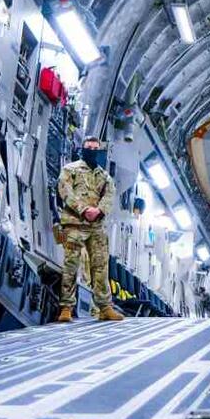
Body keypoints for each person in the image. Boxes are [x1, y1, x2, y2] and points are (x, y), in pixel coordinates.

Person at [54, 136, 124, 322]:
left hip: (96, 226)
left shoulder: (104, 176)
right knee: (71, 265)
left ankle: (105, 307)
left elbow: (110, 195)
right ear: (82, 150)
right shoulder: (70, 169)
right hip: (75, 222)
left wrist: (99, 210)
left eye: (95, 148)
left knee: (100, 265)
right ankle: (66, 307)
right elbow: (64, 190)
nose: (92, 151)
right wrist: (84, 210)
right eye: (89, 148)